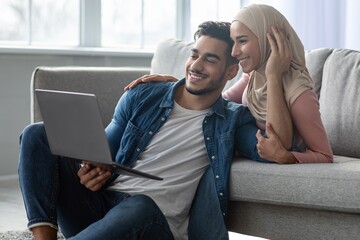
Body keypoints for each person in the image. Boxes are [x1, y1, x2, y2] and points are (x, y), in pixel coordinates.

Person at [18, 21, 266, 240]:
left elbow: (271, 149)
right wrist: (91, 169)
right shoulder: (143, 94)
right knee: (37, 133)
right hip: (101, 208)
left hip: (153, 223)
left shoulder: (233, 119)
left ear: (231, 71)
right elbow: (105, 151)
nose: (196, 65)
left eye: (210, 60)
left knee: (140, 205)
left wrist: (273, 73)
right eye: (194, 55)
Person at [125, 4, 333, 164]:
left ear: (267, 40)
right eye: (234, 43)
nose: (234, 52)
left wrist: (289, 158)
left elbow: (324, 154)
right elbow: (216, 100)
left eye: (242, 41)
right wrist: (177, 86)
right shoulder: (253, 76)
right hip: (243, 140)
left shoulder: (300, 92)